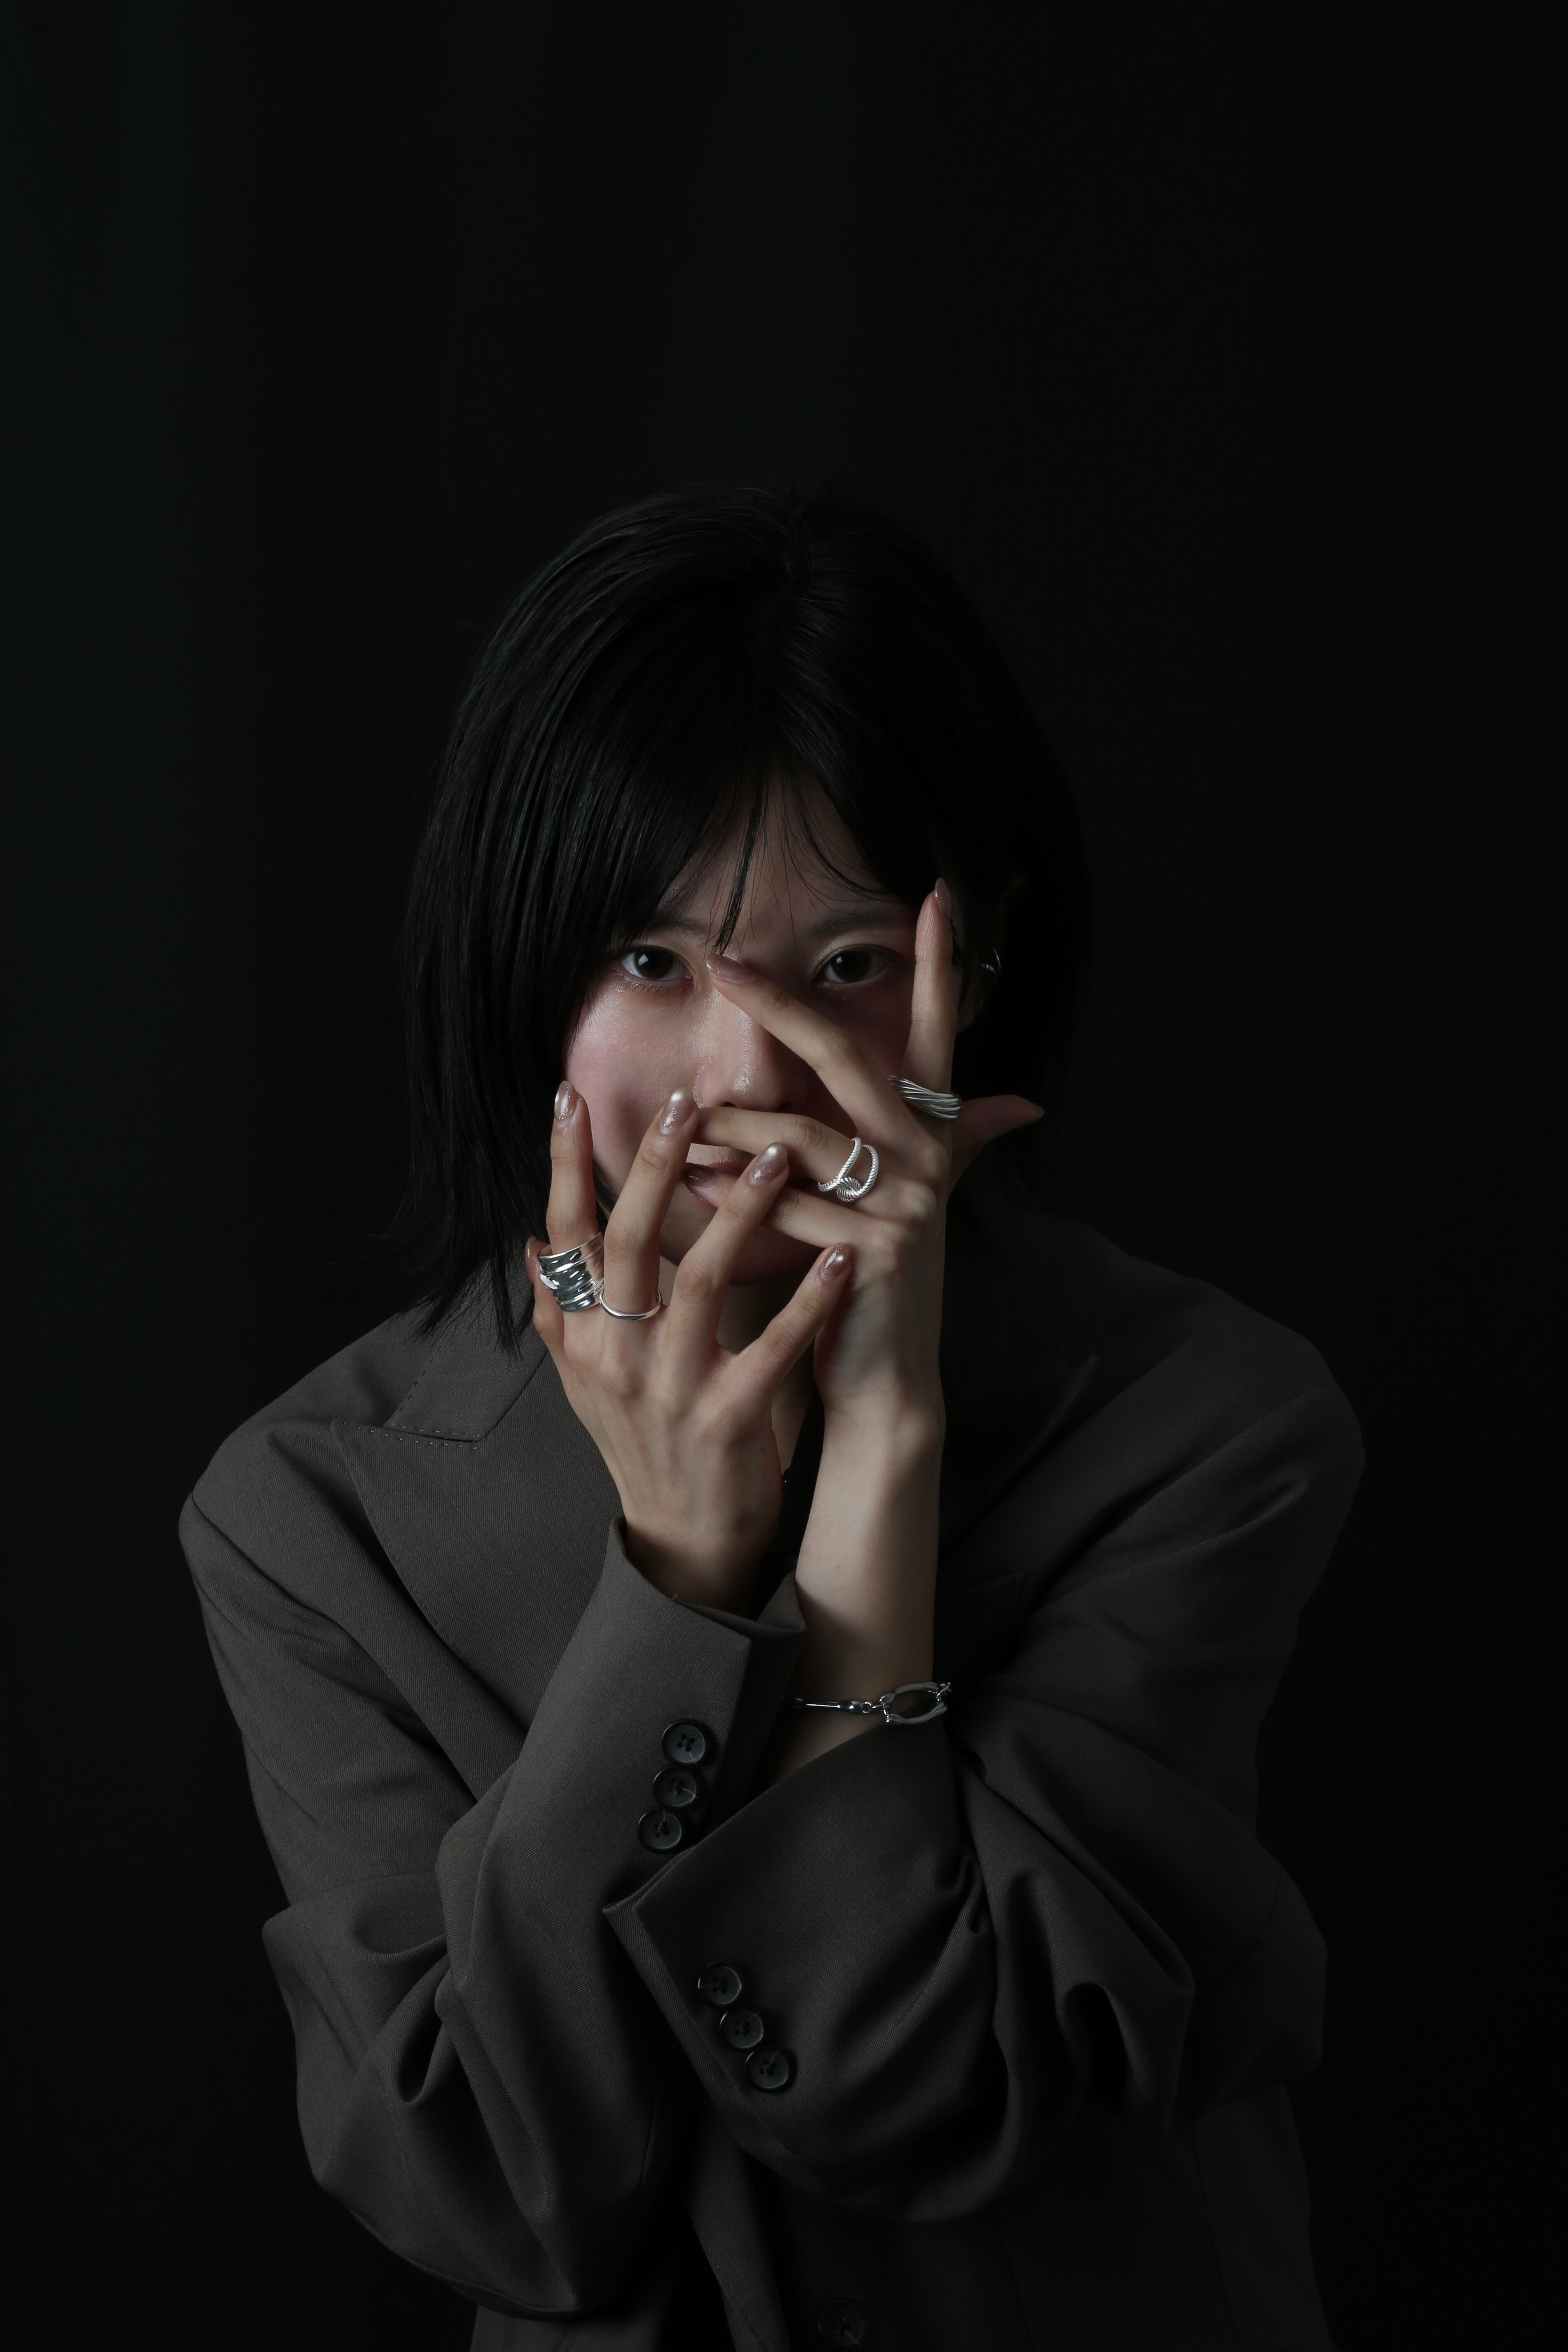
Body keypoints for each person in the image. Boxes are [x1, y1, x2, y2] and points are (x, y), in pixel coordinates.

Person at [181, 488, 1361, 2351]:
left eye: (848, 968)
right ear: (524, 972)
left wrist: (880, 1452)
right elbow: (492, 2193)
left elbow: (917, 2090)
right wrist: (676, 1576)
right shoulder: (315, 1513)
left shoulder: (1204, 1423)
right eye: (655, 964)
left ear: (977, 969)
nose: (745, 1078)